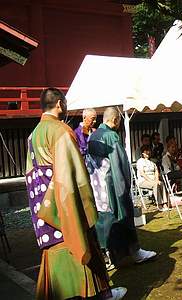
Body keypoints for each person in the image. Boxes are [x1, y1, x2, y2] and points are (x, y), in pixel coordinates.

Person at [25, 88, 126, 299]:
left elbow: (31, 176)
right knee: (78, 244)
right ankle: (101, 295)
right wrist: (87, 203)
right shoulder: (61, 131)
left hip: (45, 208)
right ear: (60, 104)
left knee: (57, 256)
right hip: (63, 205)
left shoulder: (32, 135)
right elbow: (74, 175)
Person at [87, 107, 156, 268]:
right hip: (112, 185)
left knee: (103, 220)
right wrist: (123, 191)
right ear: (116, 120)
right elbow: (119, 166)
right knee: (122, 216)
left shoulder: (93, 136)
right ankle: (135, 251)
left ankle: (109, 256)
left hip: (98, 187)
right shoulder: (111, 136)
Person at [136, 145, 169, 211]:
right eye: (146, 151)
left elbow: (156, 171)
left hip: (153, 180)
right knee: (155, 185)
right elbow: (142, 173)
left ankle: (165, 203)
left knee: (161, 183)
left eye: (149, 151)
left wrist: (157, 180)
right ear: (143, 153)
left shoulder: (152, 162)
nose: (148, 153)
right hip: (143, 180)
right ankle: (159, 204)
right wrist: (151, 180)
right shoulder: (140, 161)